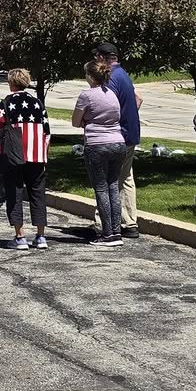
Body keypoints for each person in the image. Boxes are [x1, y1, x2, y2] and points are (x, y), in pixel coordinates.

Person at [74, 43, 143, 238]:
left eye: (96, 56)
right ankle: (129, 223)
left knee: (106, 181)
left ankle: (102, 225)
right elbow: (139, 99)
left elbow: (102, 106)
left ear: (102, 58)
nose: (95, 59)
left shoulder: (109, 78)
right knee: (126, 178)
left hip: (114, 135)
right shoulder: (123, 74)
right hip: (130, 132)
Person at [70, 58, 129, 246]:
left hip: (97, 144)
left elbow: (75, 121)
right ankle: (116, 232)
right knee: (113, 186)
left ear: (90, 76)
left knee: (101, 188)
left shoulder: (86, 95)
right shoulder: (112, 93)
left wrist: (87, 121)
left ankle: (107, 233)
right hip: (118, 143)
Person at [0, 69, 51, 250]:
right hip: (36, 154)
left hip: (14, 154)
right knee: (37, 193)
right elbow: (47, 131)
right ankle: (40, 236)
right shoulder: (37, 103)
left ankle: (20, 237)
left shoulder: (5, 103)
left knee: (14, 193)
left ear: (11, 83)